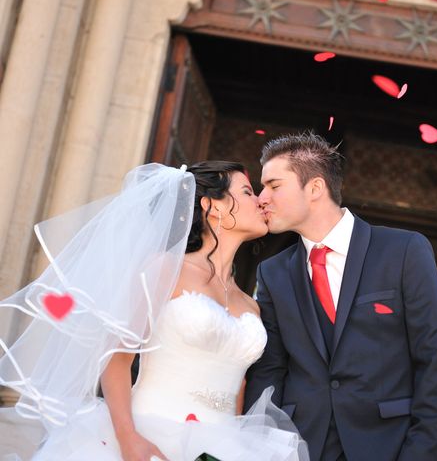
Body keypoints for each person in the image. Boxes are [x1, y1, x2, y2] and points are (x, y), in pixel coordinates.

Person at [0, 162, 308, 461]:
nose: (260, 200)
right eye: (247, 192)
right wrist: (128, 438)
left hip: (222, 444)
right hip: (149, 434)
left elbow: (239, 385)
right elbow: (116, 359)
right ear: (213, 206)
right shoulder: (166, 269)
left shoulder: (249, 303)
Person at [244, 132, 437, 461]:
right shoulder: (272, 273)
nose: (262, 198)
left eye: (274, 186)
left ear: (315, 188)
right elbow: (268, 373)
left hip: (389, 446)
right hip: (300, 448)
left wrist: (423, 453)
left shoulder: (403, 252)